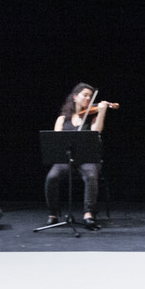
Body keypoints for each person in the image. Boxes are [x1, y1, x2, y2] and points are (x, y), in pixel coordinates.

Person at [44, 83, 111, 230]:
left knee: (91, 175)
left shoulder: (92, 117)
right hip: (66, 159)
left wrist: (101, 112)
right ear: (75, 97)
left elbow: (96, 132)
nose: (88, 99)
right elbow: (56, 142)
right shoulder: (62, 119)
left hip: (87, 159)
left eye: (90, 96)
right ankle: (53, 214)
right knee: (52, 177)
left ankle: (88, 214)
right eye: (85, 95)